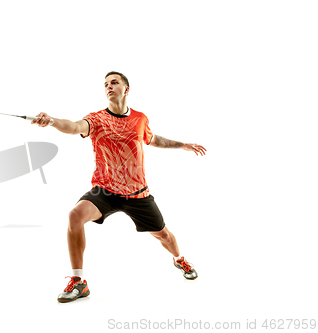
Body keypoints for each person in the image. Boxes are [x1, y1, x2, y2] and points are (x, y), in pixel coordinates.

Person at [31, 71, 207, 303]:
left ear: (126, 89)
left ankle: (179, 258)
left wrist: (182, 145)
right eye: (105, 84)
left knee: (164, 236)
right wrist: (52, 121)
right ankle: (79, 281)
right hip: (105, 190)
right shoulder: (96, 120)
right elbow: (73, 126)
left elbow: (152, 139)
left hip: (137, 194)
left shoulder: (140, 118)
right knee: (75, 215)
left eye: (114, 82)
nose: (109, 86)